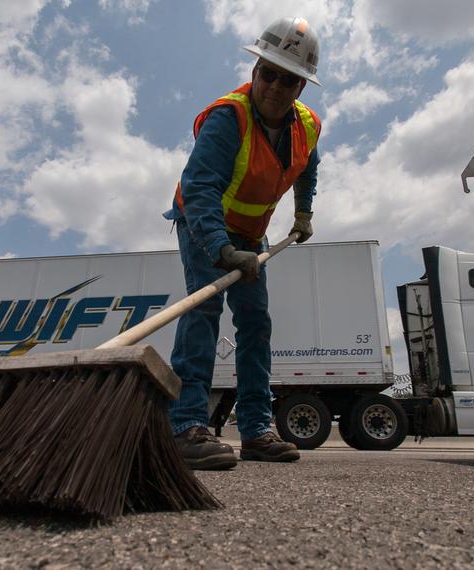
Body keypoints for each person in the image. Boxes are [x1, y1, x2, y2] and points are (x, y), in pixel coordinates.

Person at [163, 17, 323, 470]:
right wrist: (220, 249)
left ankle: (256, 430)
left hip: (252, 235)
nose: (274, 85)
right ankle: (186, 426)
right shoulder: (227, 118)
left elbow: (307, 167)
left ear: (301, 87)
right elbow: (199, 188)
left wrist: (303, 213)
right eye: (267, 73)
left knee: (256, 323)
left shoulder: (308, 126)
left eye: (287, 79)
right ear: (255, 71)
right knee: (204, 311)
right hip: (202, 224)